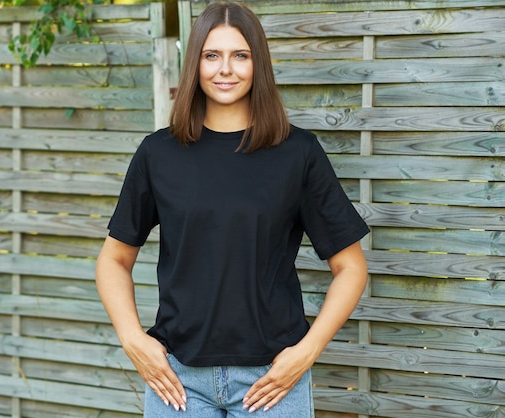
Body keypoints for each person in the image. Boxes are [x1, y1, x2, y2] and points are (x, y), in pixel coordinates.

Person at [95, 2, 369, 417]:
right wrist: (134, 339)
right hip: (178, 381)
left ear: (258, 64)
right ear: (195, 64)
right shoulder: (159, 153)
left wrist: (306, 352)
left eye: (240, 55)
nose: (226, 69)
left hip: (272, 380)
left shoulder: (298, 154)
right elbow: (114, 259)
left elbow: (351, 268)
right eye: (212, 55)